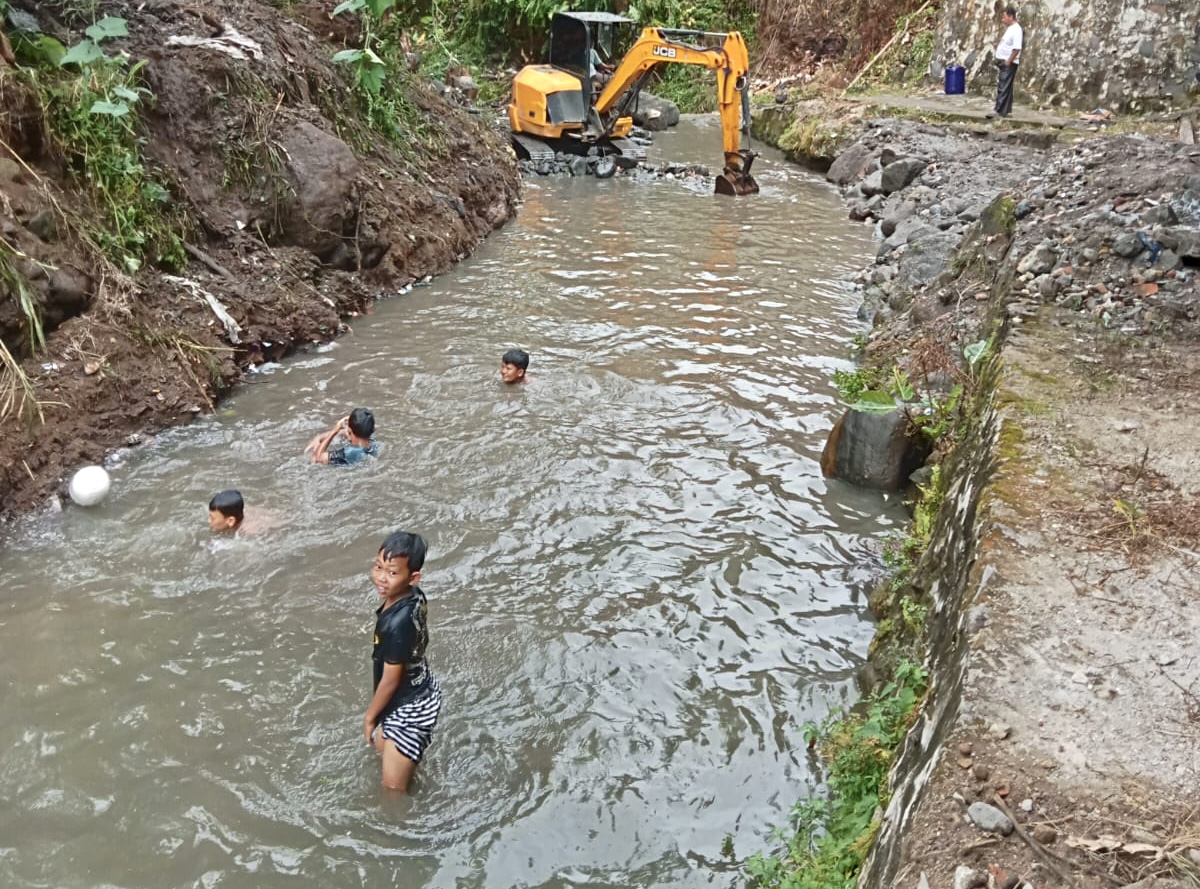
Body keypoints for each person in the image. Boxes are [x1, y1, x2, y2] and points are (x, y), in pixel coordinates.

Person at [363, 530, 442, 792]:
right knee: (382, 750)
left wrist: (370, 718)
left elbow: (390, 679)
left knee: (393, 791)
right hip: (419, 688)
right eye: (378, 567)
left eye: (392, 573)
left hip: (410, 706)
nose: (381, 577)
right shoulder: (413, 596)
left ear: (413, 577)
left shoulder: (398, 623)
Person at [304, 407, 378, 465]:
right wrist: (319, 438)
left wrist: (335, 430)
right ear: (373, 429)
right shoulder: (373, 444)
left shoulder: (349, 453)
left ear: (350, 431)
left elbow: (316, 459)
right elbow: (346, 433)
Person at [988, 5, 1023, 119]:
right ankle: (1005, 111)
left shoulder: (1017, 30)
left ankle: (998, 110)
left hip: (1009, 62)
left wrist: (1009, 61)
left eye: (1004, 17)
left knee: (1003, 86)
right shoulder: (1011, 28)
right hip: (1005, 60)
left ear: (1011, 16)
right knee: (1006, 86)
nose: (1002, 19)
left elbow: (1017, 48)